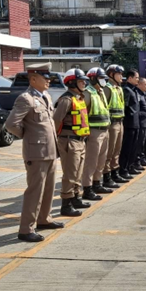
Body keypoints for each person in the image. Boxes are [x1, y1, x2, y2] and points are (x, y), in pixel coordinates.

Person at [5, 63, 63, 243]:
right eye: (45, 78)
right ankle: (26, 229)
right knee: (35, 191)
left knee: (49, 188)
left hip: (50, 150)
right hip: (36, 152)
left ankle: (44, 219)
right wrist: (27, 135)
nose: (48, 81)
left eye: (49, 78)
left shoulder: (46, 96)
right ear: (33, 79)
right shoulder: (26, 99)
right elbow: (11, 124)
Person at [53, 69, 92, 217]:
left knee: (78, 173)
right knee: (70, 174)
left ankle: (76, 198)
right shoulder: (66, 100)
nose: (84, 83)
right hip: (69, 141)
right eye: (81, 81)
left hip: (80, 140)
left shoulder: (79, 98)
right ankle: (66, 204)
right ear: (71, 82)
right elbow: (56, 120)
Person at [82, 67, 112, 201]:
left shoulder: (100, 92)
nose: (103, 80)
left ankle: (96, 183)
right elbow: (82, 114)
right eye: (100, 78)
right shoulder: (88, 93)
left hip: (104, 130)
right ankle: (87, 188)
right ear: (93, 79)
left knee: (101, 160)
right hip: (93, 132)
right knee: (91, 162)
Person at [102, 64, 129, 187]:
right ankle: (107, 176)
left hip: (120, 122)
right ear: (111, 75)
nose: (121, 76)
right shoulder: (107, 88)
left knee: (117, 150)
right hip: (112, 124)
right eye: (119, 74)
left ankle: (115, 172)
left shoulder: (118, 88)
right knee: (110, 151)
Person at [119, 69, 141, 177]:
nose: (138, 80)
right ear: (130, 78)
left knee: (133, 147)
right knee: (127, 148)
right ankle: (123, 169)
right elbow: (125, 107)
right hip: (129, 124)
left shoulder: (134, 90)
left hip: (135, 123)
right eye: (136, 78)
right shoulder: (127, 90)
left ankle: (130, 166)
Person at [135, 77, 146, 168]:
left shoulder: (144, 94)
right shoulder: (137, 94)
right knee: (138, 143)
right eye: (145, 85)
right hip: (140, 122)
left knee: (143, 142)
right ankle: (137, 161)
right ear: (139, 84)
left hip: (144, 122)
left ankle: (142, 158)